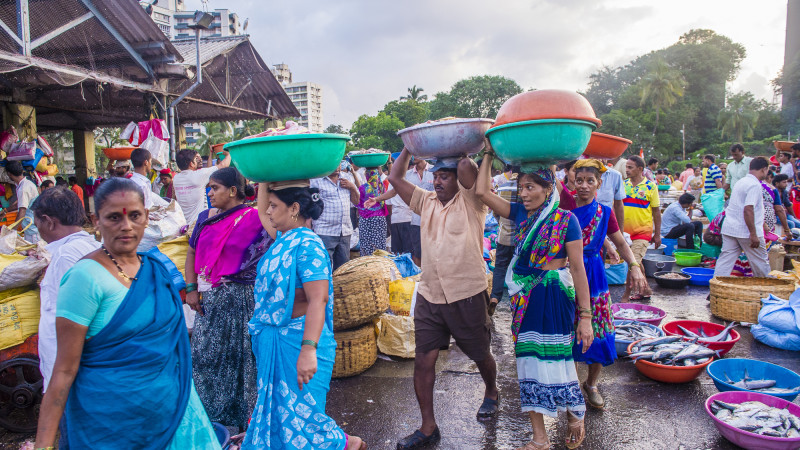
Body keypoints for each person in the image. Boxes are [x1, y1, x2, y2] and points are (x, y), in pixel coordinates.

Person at [33, 178, 220, 449]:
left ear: (146, 217)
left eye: (134, 216)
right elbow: (63, 370)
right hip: (110, 425)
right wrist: (44, 444)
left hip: (174, 415)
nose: (126, 226)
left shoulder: (156, 269)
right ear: (96, 221)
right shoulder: (84, 277)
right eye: (114, 217)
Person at [477, 148, 593, 450]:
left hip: (554, 297)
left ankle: (574, 412)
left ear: (548, 188)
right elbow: (482, 192)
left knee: (558, 360)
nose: (524, 194)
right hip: (525, 300)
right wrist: (488, 154)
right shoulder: (520, 214)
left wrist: (586, 317)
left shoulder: (566, 220)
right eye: (521, 188)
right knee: (529, 364)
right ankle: (540, 438)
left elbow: (578, 269)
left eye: (530, 187)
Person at [240, 181, 365, 450]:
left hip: (300, 343)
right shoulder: (283, 240)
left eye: (274, 206)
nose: (268, 212)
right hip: (276, 343)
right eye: (269, 205)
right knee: (281, 419)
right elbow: (262, 211)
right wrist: (264, 178)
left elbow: (318, 299)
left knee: (306, 422)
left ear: (294, 208)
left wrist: (308, 350)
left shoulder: (308, 246)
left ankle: (346, 444)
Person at [389, 149, 498, 449]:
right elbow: (395, 177)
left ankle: (491, 390)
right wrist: (409, 147)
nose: (437, 182)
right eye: (435, 176)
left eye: (444, 177)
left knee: (480, 353)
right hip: (430, 294)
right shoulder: (425, 201)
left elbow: (465, 165)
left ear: (458, 180)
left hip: (467, 294)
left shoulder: (472, 200)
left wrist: (460, 146)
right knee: (423, 360)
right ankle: (428, 427)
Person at [183, 167, 271, 432]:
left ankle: (243, 424)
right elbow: (191, 252)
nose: (209, 193)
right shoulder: (205, 218)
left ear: (233, 191)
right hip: (210, 300)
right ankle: (209, 418)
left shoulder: (255, 217)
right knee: (204, 356)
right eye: (208, 188)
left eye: (215, 188)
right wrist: (191, 288)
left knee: (243, 360)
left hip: (245, 300)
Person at [571, 159, 647, 410]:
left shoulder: (605, 212)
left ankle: (591, 384)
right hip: (568, 275)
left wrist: (634, 265)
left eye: (589, 181)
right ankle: (571, 386)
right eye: (579, 180)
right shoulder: (564, 208)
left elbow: (621, 242)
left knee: (599, 331)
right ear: (573, 181)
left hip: (594, 276)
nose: (584, 185)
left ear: (599, 183)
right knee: (569, 331)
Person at [32, 187, 101, 392]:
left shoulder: (65, 256)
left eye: (37, 224)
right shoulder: (90, 246)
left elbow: (77, 320)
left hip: (70, 373)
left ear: (49, 221)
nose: (38, 230)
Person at [714, 157, 772, 278]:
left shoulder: (741, 182)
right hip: (746, 231)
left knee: (725, 260)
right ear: (764, 169)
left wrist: (763, 225)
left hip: (730, 228)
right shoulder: (754, 185)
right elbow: (748, 209)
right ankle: (765, 287)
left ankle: (716, 284)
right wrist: (753, 234)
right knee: (760, 262)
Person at [623, 156, 659, 301]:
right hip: (625, 233)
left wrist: (657, 234)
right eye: (626, 167)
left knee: (633, 264)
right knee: (637, 261)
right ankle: (645, 289)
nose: (627, 170)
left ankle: (626, 295)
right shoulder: (623, 184)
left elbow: (656, 211)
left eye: (630, 167)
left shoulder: (651, 186)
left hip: (643, 232)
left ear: (640, 169)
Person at [310, 166, 360, 270]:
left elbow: (357, 202)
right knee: (324, 266)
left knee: (342, 268)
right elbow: (311, 204)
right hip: (325, 231)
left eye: (339, 163)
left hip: (345, 231)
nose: (337, 167)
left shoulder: (347, 177)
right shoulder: (316, 180)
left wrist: (352, 187)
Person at [173, 149, 231, 224]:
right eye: (196, 159)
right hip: (198, 223)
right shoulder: (198, 175)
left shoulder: (176, 178)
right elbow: (223, 166)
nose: (198, 161)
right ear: (191, 164)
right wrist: (228, 154)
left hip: (184, 224)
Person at [406, 156, 434, 267]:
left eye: (416, 153)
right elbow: (395, 190)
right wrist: (377, 199)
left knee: (434, 253)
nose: (413, 156)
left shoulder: (434, 170)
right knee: (417, 253)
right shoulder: (408, 175)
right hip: (416, 220)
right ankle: (419, 275)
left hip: (434, 220)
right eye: (411, 154)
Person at [356, 165, 389, 256]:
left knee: (367, 244)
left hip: (366, 220)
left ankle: (369, 263)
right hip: (380, 219)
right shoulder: (381, 187)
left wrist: (354, 174)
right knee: (379, 245)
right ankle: (379, 262)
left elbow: (358, 198)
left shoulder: (364, 187)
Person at [5, 160, 40, 243]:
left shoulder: (23, 189)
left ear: (9, 174)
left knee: (35, 250)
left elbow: (22, 212)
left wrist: (13, 230)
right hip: (32, 228)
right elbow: (20, 202)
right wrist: (5, 210)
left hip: (32, 230)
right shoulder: (27, 184)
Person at [597, 163, 626, 230]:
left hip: (606, 227)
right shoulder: (581, 172)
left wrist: (620, 232)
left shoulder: (616, 175)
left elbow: (618, 205)